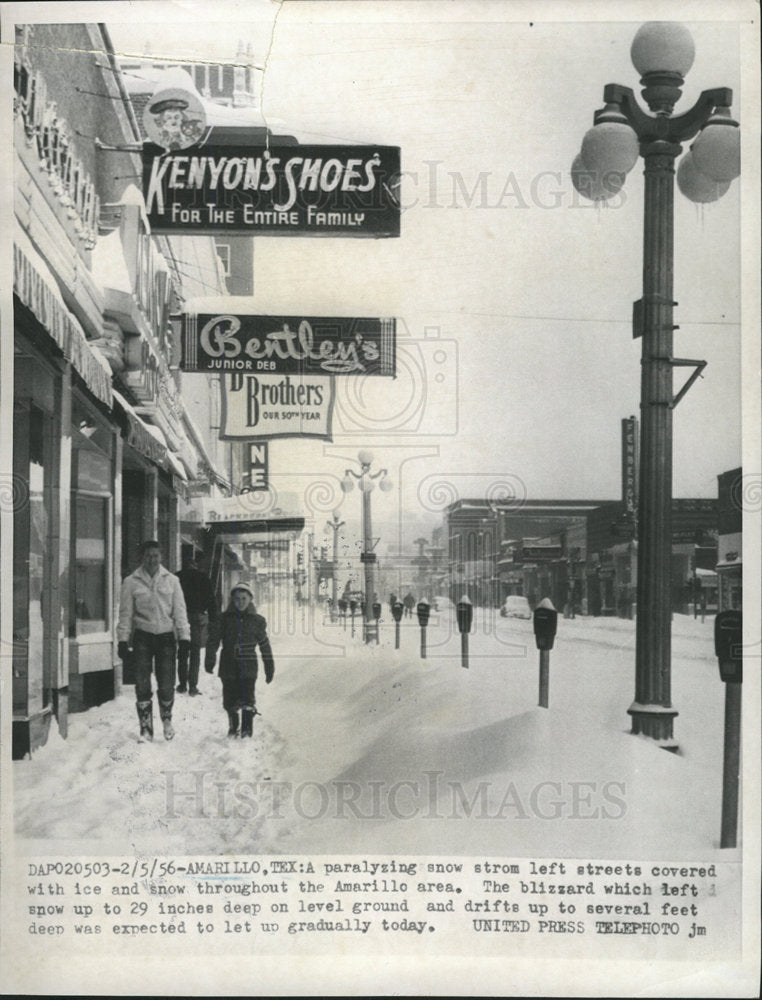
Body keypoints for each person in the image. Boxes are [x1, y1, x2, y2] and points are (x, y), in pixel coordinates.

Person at [117, 540, 190, 743]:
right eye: (148, 556)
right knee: (142, 683)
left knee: (166, 681)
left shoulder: (172, 581)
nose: (152, 560)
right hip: (143, 636)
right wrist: (123, 639)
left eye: (155, 556)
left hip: (166, 636)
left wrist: (184, 637)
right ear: (142, 557)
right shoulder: (131, 582)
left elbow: (180, 611)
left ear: (161, 557)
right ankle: (146, 728)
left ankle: (167, 720)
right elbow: (125, 614)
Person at [205, 582, 274, 738]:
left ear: (250, 599)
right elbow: (213, 640)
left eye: (244, 598)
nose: (240, 602)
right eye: (237, 599)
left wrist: (269, 667)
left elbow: (264, 645)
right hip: (228, 664)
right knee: (230, 698)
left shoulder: (257, 621)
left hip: (249, 666)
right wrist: (210, 658)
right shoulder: (223, 619)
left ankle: (247, 730)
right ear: (232, 600)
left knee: (248, 698)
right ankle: (233, 726)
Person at [175, 552, 217, 696]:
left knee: (182, 651)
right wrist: (212, 620)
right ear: (195, 565)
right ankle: (193, 686)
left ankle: (182, 684)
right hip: (198, 617)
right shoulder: (204, 577)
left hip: (181, 617)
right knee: (195, 653)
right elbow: (212, 599)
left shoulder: (177, 577)